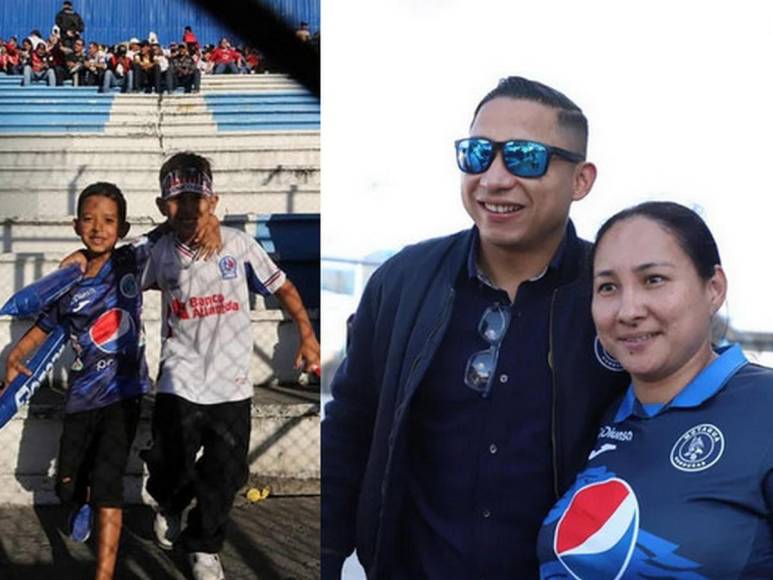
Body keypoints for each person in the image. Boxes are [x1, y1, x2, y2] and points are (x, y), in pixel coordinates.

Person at [321, 76, 630, 579]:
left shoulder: (616, 297)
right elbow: (350, 427)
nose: (494, 178)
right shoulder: (402, 283)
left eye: (525, 157)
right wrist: (327, 557)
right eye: (478, 154)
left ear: (581, 180)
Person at [537, 202, 773, 578]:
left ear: (714, 288)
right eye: (608, 287)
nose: (629, 310)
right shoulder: (595, 413)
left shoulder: (763, 408)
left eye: (654, 280)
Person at [140, 152, 321, 580]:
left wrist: (308, 334)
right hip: (179, 377)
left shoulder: (238, 245)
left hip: (232, 384)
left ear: (214, 201)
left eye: (196, 200)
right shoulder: (159, 252)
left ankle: (203, 546)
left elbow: (284, 286)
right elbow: (119, 269)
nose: (187, 209)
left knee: (228, 471)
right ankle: (169, 501)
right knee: (171, 463)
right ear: (162, 207)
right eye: (176, 201)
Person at [3, 183, 153, 580]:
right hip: (83, 396)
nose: (98, 228)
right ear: (75, 225)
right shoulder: (67, 281)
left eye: (108, 220)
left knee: (108, 486)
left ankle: (103, 574)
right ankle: (78, 500)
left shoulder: (131, 260)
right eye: (88, 219)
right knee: (67, 485)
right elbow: (43, 326)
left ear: (122, 227)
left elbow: (168, 232)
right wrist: (17, 355)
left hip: (125, 394)